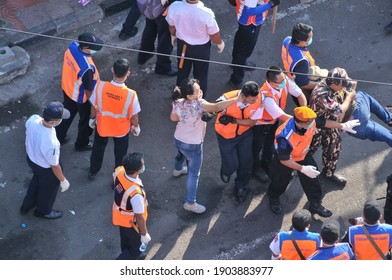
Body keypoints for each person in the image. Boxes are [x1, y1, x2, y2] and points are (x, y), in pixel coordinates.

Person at [267, 106, 360, 217]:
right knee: (280, 181)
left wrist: (343, 125)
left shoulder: (309, 120)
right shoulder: (285, 136)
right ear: (301, 124)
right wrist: (302, 169)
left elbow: (324, 122)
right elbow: (284, 159)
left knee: (312, 178)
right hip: (286, 159)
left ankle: (315, 204)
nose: (313, 123)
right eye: (310, 122)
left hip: (303, 154)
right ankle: (274, 196)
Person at [170, 78, 242, 213]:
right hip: (193, 144)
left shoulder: (178, 102)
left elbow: (173, 118)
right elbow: (216, 107)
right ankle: (190, 203)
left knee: (180, 153)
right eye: (197, 90)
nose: (200, 91)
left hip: (178, 138)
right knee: (193, 174)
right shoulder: (199, 104)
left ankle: (177, 170)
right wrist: (235, 100)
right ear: (190, 95)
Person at [88, 58, 141, 180]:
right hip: (120, 130)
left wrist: (92, 119)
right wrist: (136, 127)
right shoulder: (131, 94)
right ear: (128, 73)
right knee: (120, 155)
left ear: (112, 70)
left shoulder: (100, 86)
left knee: (98, 148)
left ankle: (93, 171)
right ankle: (118, 179)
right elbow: (134, 116)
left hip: (102, 126)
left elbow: (93, 106)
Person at [253, 66, 306, 183]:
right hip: (260, 125)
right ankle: (255, 170)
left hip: (273, 122)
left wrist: (304, 111)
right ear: (271, 82)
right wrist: (303, 121)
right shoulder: (266, 96)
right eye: (281, 81)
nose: (284, 82)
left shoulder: (284, 81)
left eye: (284, 79)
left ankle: (266, 164)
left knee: (270, 145)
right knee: (256, 148)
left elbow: (300, 95)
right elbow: (283, 117)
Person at [20, 102, 71, 219]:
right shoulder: (51, 142)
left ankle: (27, 205)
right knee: (48, 190)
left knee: (36, 181)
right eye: (60, 119)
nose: (60, 121)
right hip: (45, 168)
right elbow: (54, 165)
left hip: (32, 159)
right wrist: (62, 180)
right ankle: (43, 211)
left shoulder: (33, 119)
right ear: (53, 122)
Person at [215, 81, 263, 201]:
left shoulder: (260, 99)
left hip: (245, 135)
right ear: (243, 95)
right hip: (226, 136)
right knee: (232, 164)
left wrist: (233, 120)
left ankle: (241, 186)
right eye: (252, 100)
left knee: (246, 164)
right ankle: (226, 170)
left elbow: (252, 122)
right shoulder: (228, 97)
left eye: (256, 98)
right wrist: (211, 113)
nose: (255, 101)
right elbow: (214, 108)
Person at [309, 67, 356, 187]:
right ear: (334, 84)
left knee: (334, 149)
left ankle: (329, 173)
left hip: (331, 124)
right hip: (316, 127)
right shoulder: (321, 95)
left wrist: (350, 87)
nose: (344, 87)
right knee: (308, 150)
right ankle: (295, 168)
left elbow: (351, 84)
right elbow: (339, 110)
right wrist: (349, 97)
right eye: (342, 85)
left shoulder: (334, 83)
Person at [166, 0, 224, 97]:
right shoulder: (206, 13)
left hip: (183, 47)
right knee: (201, 76)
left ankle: (179, 99)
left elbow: (171, 26)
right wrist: (220, 43)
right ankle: (200, 100)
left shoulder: (175, 7)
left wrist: (173, 36)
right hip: (201, 50)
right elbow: (214, 35)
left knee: (182, 73)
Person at [56, 32, 103, 151]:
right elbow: (88, 90)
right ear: (86, 48)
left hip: (68, 88)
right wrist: (93, 105)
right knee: (85, 121)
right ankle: (82, 143)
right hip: (81, 97)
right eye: (93, 47)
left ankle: (58, 138)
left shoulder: (73, 46)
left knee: (66, 115)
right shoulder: (87, 68)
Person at [228, 0, 280, 89]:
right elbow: (250, 11)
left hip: (244, 19)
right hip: (250, 22)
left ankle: (236, 63)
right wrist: (270, 4)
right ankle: (236, 79)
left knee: (240, 41)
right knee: (245, 50)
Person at [113, 153, 151, 260]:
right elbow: (139, 217)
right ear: (137, 170)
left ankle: (126, 253)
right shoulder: (136, 194)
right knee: (135, 250)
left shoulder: (119, 171)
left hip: (120, 217)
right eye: (142, 165)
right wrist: (144, 234)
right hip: (132, 224)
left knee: (125, 242)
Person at [137, 0, 178, 76]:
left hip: (151, 6)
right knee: (165, 39)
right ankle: (163, 67)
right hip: (164, 8)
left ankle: (143, 56)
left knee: (150, 29)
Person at [281, 23, 317, 104]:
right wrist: (322, 83)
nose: (311, 39)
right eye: (309, 39)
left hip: (291, 77)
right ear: (301, 42)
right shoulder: (301, 61)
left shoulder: (287, 40)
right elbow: (304, 84)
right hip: (299, 89)